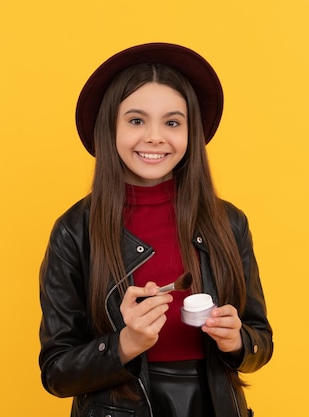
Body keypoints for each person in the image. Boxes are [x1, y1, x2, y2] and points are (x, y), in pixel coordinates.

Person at [39, 42, 273, 417]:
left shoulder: (229, 223)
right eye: (136, 120)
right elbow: (56, 372)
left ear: (190, 133)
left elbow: (261, 341)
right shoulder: (74, 231)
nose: (155, 136)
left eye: (172, 122)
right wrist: (125, 343)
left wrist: (237, 341)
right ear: (109, 129)